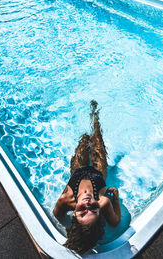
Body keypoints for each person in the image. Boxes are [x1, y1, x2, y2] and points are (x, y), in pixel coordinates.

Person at [53, 100, 121, 255]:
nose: (88, 203)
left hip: (78, 172)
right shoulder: (103, 202)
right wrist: (115, 199)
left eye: (82, 211)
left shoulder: (66, 199)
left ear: (74, 215)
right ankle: (95, 115)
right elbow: (116, 221)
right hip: (98, 173)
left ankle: (89, 119)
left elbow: (57, 216)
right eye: (94, 209)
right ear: (99, 213)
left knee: (83, 141)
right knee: (97, 139)